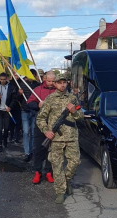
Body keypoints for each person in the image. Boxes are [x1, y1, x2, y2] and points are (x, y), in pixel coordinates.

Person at [36, 74, 83, 204]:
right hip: (56, 138)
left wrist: (74, 111)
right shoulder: (50, 99)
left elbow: (80, 117)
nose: (62, 85)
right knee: (56, 165)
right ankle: (60, 192)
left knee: (75, 161)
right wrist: (47, 131)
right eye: (59, 83)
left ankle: (66, 181)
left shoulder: (73, 99)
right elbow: (40, 118)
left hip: (71, 137)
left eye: (64, 82)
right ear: (55, 84)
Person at [27, 71, 57, 184]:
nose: (51, 83)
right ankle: (37, 171)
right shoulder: (37, 90)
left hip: (54, 125)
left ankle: (49, 172)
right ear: (45, 79)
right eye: (49, 81)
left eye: (53, 81)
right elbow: (29, 103)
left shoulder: (58, 91)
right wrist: (37, 105)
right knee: (38, 148)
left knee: (52, 149)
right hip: (40, 124)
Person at [19, 70, 39, 162]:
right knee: (26, 132)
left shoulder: (37, 85)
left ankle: (31, 151)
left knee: (33, 132)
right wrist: (19, 93)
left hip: (34, 111)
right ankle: (27, 152)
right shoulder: (22, 84)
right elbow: (16, 98)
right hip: (25, 110)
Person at [6, 74, 22, 143]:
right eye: (14, 75)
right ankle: (11, 135)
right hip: (10, 106)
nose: (16, 76)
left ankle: (17, 137)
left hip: (18, 106)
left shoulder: (21, 83)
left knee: (18, 123)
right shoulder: (10, 84)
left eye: (17, 75)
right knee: (11, 122)